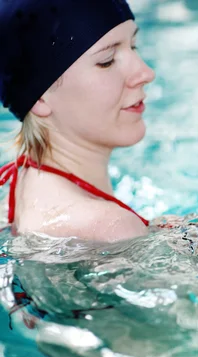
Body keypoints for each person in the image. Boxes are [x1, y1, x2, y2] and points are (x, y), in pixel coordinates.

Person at [0, 0, 155, 242]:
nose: (145, 73)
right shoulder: (108, 228)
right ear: (40, 98)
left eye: (133, 46)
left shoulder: (16, 190)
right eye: (107, 60)